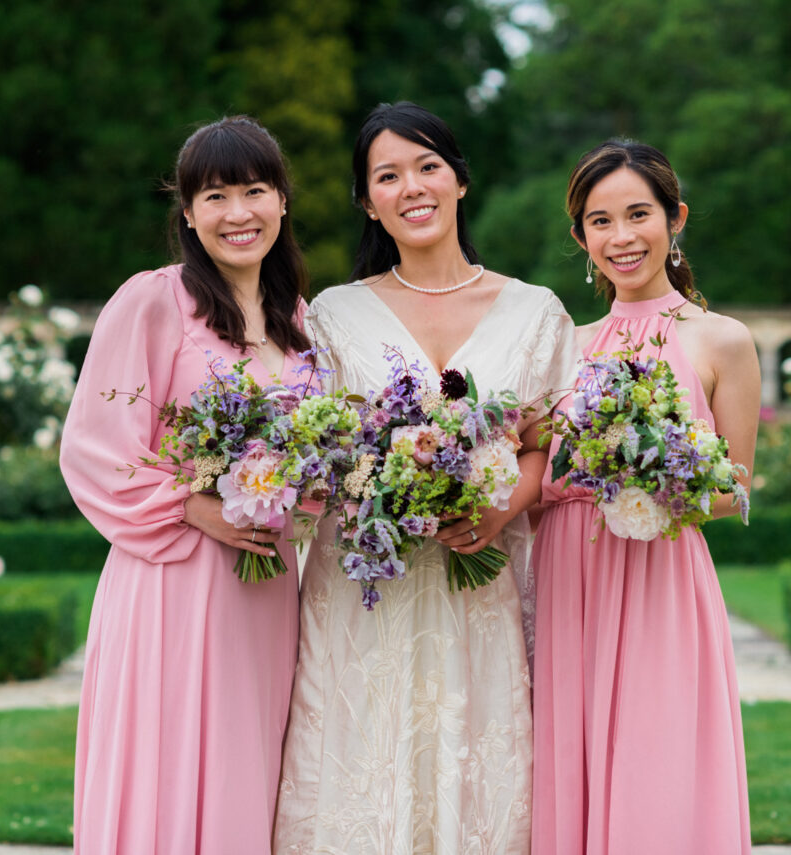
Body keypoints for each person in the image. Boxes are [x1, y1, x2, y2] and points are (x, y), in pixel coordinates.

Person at [273, 102, 578, 854]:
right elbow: (315, 446)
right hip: (362, 594)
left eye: (427, 166)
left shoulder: (535, 312)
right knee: (357, 763)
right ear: (367, 200)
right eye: (387, 175)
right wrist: (376, 482)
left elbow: (551, 447)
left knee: (476, 770)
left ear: (460, 181)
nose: (411, 186)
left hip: (479, 587)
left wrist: (502, 502)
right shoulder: (334, 316)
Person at [59, 116, 310, 854]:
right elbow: (95, 448)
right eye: (216, 195)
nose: (239, 213)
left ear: (283, 201)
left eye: (255, 191)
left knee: (247, 764)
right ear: (189, 212)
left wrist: (305, 489)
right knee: (166, 765)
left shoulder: (298, 319)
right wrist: (200, 505)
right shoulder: (151, 300)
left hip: (263, 589)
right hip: (173, 579)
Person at [530, 140, 759, 854]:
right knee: (574, 759)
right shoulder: (562, 345)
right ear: (581, 238)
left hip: (661, 576)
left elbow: (738, 490)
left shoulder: (722, 340)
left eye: (638, 214)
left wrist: (658, 489)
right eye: (600, 221)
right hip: (571, 581)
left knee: (657, 769)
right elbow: (535, 476)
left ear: (675, 218)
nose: (621, 237)